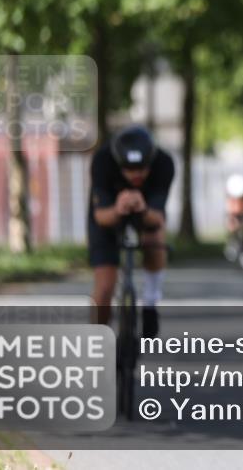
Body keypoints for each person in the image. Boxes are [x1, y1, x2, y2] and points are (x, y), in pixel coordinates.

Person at [88, 125, 175, 338]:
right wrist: (118, 209)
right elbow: (100, 217)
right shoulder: (103, 161)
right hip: (109, 211)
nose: (136, 175)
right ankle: (98, 341)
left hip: (146, 211)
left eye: (142, 169)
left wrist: (143, 208)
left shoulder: (163, 163)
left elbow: (157, 218)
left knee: (154, 240)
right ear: (118, 163)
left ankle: (150, 303)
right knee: (105, 286)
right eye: (129, 169)